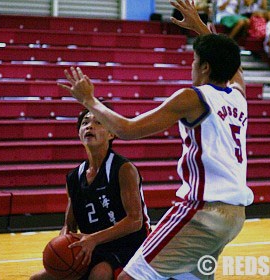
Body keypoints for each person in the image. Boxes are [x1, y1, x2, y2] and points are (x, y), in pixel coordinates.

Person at [59, 0, 253, 278]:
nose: (192, 67)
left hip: (200, 211)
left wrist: (90, 101)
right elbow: (233, 65)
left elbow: (127, 130)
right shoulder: (239, 95)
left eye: (195, 61)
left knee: (128, 278)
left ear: (206, 67)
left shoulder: (193, 97)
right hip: (234, 216)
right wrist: (200, 27)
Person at [30, 109, 150, 280]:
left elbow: (135, 221)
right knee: (39, 279)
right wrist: (64, 243)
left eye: (98, 122)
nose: (89, 126)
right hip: (93, 245)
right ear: (79, 133)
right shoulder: (74, 177)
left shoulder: (123, 169)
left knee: (99, 274)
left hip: (130, 245)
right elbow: (69, 224)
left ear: (111, 134)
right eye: (85, 123)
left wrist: (93, 239)